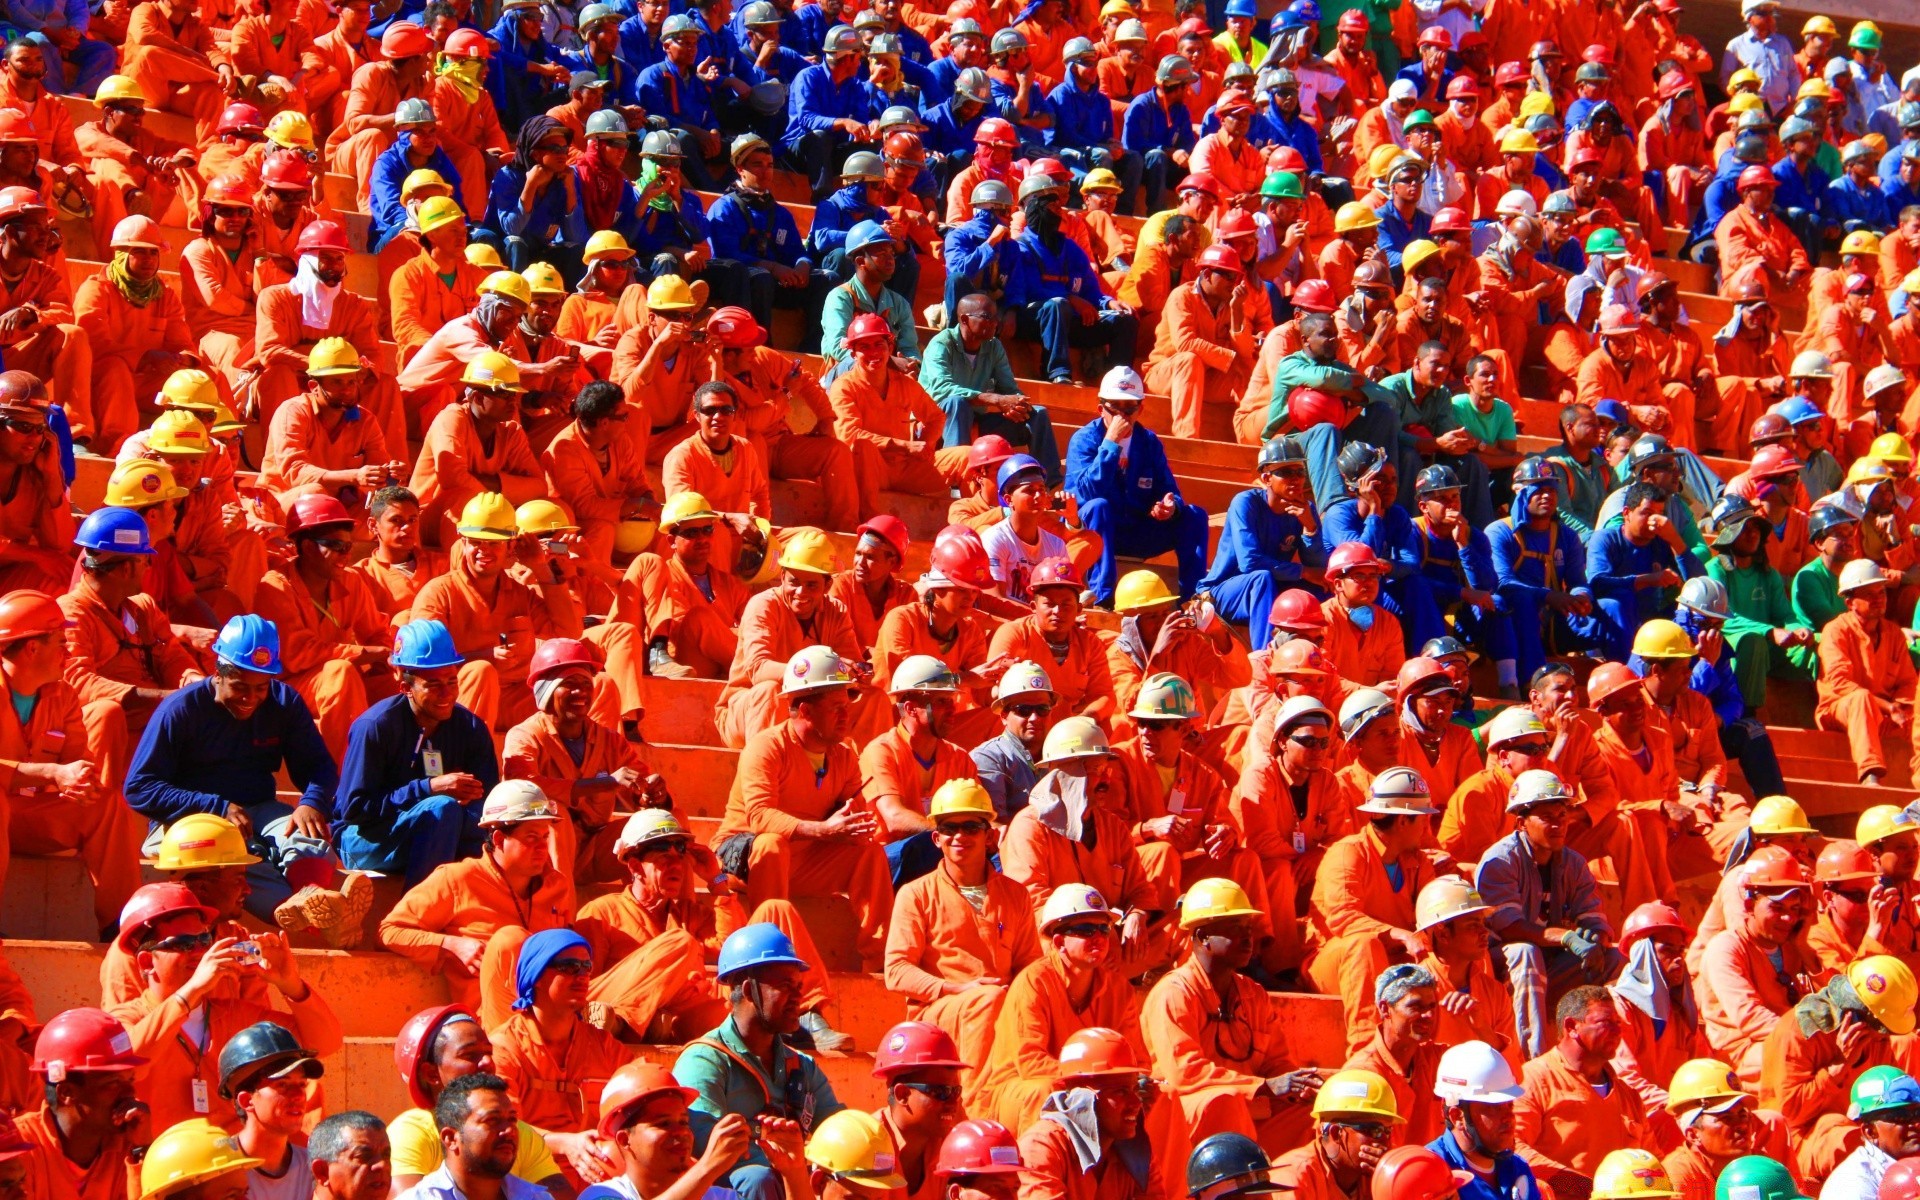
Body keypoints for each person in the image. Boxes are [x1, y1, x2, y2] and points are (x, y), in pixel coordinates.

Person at [123, 614, 364, 942]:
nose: (251, 697)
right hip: (188, 822)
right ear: (218, 673)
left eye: (260, 687)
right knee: (234, 861)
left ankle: (309, 898)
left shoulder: (283, 701)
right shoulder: (180, 710)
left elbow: (319, 768)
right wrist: (215, 807)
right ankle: (317, 917)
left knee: (311, 840)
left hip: (259, 809)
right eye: (240, 686)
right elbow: (138, 788)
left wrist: (311, 802)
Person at [713, 646, 893, 974]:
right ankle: (768, 956)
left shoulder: (845, 756)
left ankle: (880, 960)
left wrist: (854, 823)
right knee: (771, 843)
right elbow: (761, 817)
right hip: (747, 861)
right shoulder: (766, 747)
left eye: (847, 706)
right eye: (837, 707)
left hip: (805, 861)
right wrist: (823, 830)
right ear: (807, 711)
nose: (846, 715)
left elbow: (858, 818)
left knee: (870, 853)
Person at [110, 882, 343, 1135]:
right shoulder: (125, 1018)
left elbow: (325, 1043)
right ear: (146, 962)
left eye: (203, 940)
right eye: (185, 944)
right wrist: (192, 991)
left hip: (230, 1164)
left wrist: (291, 985)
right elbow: (128, 1065)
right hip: (163, 1166)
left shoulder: (233, 1013)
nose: (200, 952)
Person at [1144, 877, 1325, 1149]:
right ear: (1203, 937)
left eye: (1249, 928)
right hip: (1190, 1114)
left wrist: (1298, 1086)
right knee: (1223, 1102)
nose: (1248, 937)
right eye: (1235, 927)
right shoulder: (1173, 993)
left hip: (1247, 1107)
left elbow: (1276, 1062)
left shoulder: (1254, 994)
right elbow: (1186, 1075)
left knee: (1317, 1115)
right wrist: (1264, 1086)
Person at [377, 782, 576, 1028]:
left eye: (545, 837)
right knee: (511, 940)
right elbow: (390, 931)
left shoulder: (558, 887)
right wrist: (450, 944)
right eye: (532, 838)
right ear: (500, 839)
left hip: (553, 1017)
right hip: (496, 1025)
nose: (542, 848)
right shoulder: (458, 878)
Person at [672, 924, 846, 1200]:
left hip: (789, 1185)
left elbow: (838, 1130)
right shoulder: (704, 1059)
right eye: (785, 986)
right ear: (749, 991)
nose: (798, 997)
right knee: (756, 1177)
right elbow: (705, 1141)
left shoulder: (801, 1064)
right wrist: (782, 1161)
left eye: (799, 986)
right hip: (727, 1192)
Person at [334, 619, 500, 885]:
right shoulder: (375, 726)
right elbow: (354, 810)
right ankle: (415, 914)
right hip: (365, 838)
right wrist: (428, 788)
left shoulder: (470, 727)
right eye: (433, 685)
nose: (446, 694)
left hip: (439, 831)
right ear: (406, 688)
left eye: (452, 681)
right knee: (442, 808)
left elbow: (489, 802)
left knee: (504, 825)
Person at [1475, 770, 1621, 1060]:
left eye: (1562, 814)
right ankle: (1534, 1060)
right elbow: (1510, 928)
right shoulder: (1499, 861)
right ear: (1521, 823)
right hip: (1498, 971)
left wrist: (1596, 935)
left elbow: (1592, 913)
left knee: (1614, 959)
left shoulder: (1574, 863)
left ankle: (1601, 1052)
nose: (1558, 824)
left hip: (1549, 965)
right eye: (1547, 816)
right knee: (1525, 952)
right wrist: (1566, 937)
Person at [1305, 768, 1442, 1051]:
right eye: (1424, 818)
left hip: (1393, 967)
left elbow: (1432, 923)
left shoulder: (1419, 863)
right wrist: (1400, 935)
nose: (1428, 827)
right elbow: (1343, 919)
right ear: (1404, 821)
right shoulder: (1347, 852)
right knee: (1363, 944)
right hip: (1336, 964)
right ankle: (1366, 1048)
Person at [1064, 367, 1211, 605]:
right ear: (1101, 409)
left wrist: (1169, 507)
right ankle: (1101, 597)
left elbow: (1170, 490)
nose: (1123, 416)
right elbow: (1085, 494)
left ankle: (1191, 598)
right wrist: (1110, 444)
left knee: (1194, 515)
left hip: (1135, 529)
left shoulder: (1148, 441)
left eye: (1129, 408)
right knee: (1098, 506)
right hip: (1096, 533)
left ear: (1140, 409)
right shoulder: (1085, 439)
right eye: (1115, 407)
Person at [591, 1062, 805, 1200]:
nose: (681, 1132)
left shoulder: (719, 1197)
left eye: (684, 1122)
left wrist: (795, 1172)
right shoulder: (603, 1195)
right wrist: (709, 1165)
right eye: (663, 1124)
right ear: (624, 1139)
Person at [1514, 987, 1655, 1196]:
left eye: (1618, 1024)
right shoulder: (1534, 1079)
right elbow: (1512, 1147)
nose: (1618, 1032)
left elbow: (1651, 1158)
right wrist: (1575, 1186)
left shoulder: (1629, 1096)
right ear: (1572, 1026)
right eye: (1606, 1023)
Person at [1699, 846, 1822, 1084]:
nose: (1788, 918)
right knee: (1807, 1056)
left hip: (1789, 1038)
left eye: (1794, 909)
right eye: (1777, 908)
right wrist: (1810, 1037)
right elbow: (1750, 1017)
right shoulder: (1725, 948)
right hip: (1741, 1053)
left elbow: (1828, 995)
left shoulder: (1792, 944)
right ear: (1748, 905)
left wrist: (1804, 947)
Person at [1200, 437, 1324, 652]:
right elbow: (1250, 563)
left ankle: (1318, 657)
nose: (1295, 479)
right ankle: (1263, 659)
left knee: (1323, 588)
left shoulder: (1306, 510)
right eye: (1285, 472)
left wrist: (1310, 529)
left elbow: (1317, 566)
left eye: (1299, 471)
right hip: (1224, 591)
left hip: (1270, 586)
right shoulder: (1245, 503)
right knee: (1261, 578)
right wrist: (1303, 571)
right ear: (1267, 478)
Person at [1006, 192, 1139, 387]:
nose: (1059, 214)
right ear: (1037, 213)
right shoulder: (1021, 246)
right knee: (1057, 305)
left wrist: (1107, 302)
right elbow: (1030, 289)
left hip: (1071, 320)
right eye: (1052, 209)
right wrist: (1071, 299)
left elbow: (1090, 288)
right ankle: (1058, 373)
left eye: (1059, 208)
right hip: (1035, 319)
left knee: (1125, 320)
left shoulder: (1070, 248)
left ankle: (1118, 382)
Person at [17, 1008, 150, 1200]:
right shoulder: (19, 1149)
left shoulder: (128, 1145)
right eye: (113, 1083)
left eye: (130, 1080)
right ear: (66, 1093)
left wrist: (143, 1149)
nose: (130, 1093)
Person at [1012, 1028, 1154, 1200]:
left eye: (1135, 1090)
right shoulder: (1040, 1148)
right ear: (1082, 1098)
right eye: (1120, 1092)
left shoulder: (1136, 1150)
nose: (1136, 1103)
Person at [1815, 560, 1915, 785]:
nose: (1879, 599)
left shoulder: (1894, 633)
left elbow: (1908, 682)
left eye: (1881, 592)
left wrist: (1901, 707)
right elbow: (1841, 684)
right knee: (1860, 699)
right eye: (1869, 594)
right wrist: (1888, 706)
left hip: (1884, 716)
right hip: (1840, 711)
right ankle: (1870, 776)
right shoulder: (1835, 631)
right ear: (1850, 602)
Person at [217, 1021, 322, 1200]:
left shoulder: (316, 1170)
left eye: (302, 1084)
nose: (298, 1095)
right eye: (283, 1085)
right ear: (246, 1100)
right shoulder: (217, 1171)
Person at [405, 1074, 555, 1200]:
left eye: (512, 1120)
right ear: (450, 1138)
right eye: (492, 1120)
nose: (509, 1130)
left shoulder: (537, 1198)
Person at [1428, 1041, 1540, 1200]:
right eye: (1494, 1107)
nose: (1509, 1117)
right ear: (1457, 1116)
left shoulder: (1517, 1168)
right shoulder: (1429, 1172)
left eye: (1510, 1105)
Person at [970, 662, 1056, 822]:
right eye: (1023, 710)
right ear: (1003, 716)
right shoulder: (988, 757)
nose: (1034, 718)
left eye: (1042, 709)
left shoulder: (1064, 754)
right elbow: (996, 826)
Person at [1822, 1068, 1920, 1200]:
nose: (1916, 1124)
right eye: (1901, 1116)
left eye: (1918, 1114)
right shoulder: (1853, 1187)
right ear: (1870, 1132)